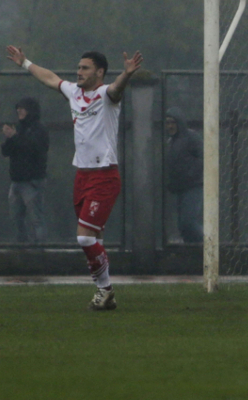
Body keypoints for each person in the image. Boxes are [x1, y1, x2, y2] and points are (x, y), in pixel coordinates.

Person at [6, 45, 143, 310]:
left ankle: (105, 289)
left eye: (85, 68)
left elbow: (116, 89)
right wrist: (25, 63)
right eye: (78, 67)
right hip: (82, 175)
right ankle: (104, 294)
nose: (78, 72)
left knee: (84, 238)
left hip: (104, 176)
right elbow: (50, 78)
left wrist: (126, 75)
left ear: (99, 72)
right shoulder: (75, 93)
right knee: (95, 238)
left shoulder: (105, 94)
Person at [1, 97, 49, 242]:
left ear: (30, 110)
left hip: (32, 181)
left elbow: (33, 149)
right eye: (18, 108)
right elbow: (6, 152)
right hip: (16, 181)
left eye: (22, 108)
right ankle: (22, 247)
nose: (19, 110)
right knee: (16, 217)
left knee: (36, 219)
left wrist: (14, 136)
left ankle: (40, 251)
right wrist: (9, 138)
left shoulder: (39, 129)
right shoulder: (19, 128)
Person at [165, 107, 203, 243]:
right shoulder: (170, 142)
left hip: (194, 186)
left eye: (173, 122)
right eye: (167, 122)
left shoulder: (191, 137)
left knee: (188, 222)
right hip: (180, 189)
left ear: (179, 122)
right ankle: (193, 253)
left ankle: (210, 246)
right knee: (183, 227)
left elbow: (203, 158)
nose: (170, 126)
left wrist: (191, 174)